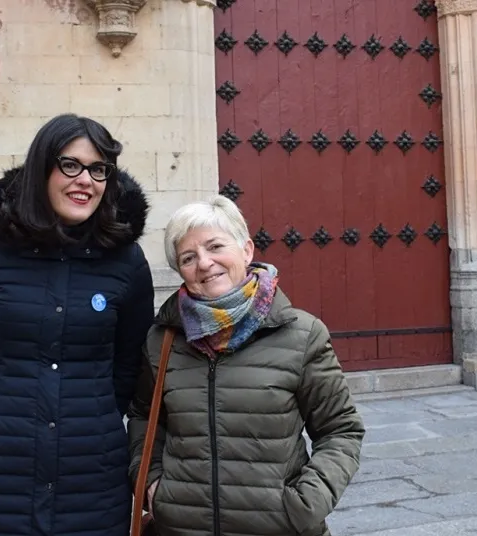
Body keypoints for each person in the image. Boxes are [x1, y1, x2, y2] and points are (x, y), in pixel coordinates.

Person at [0, 114, 154, 535]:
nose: (86, 180)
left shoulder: (126, 263)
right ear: (41, 167)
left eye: (98, 169)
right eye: (71, 164)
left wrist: (93, 419)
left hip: (91, 483)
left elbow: (131, 363)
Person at [127, 195, 365, 536]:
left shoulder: (301, 334)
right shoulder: (163, 339)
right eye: (189, 257)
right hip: (181, 527)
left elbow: (341, 429)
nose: (205, 263)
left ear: (247, 250)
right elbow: (143, 416)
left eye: (215, 247)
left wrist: (304, 504)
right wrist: (151, 484)